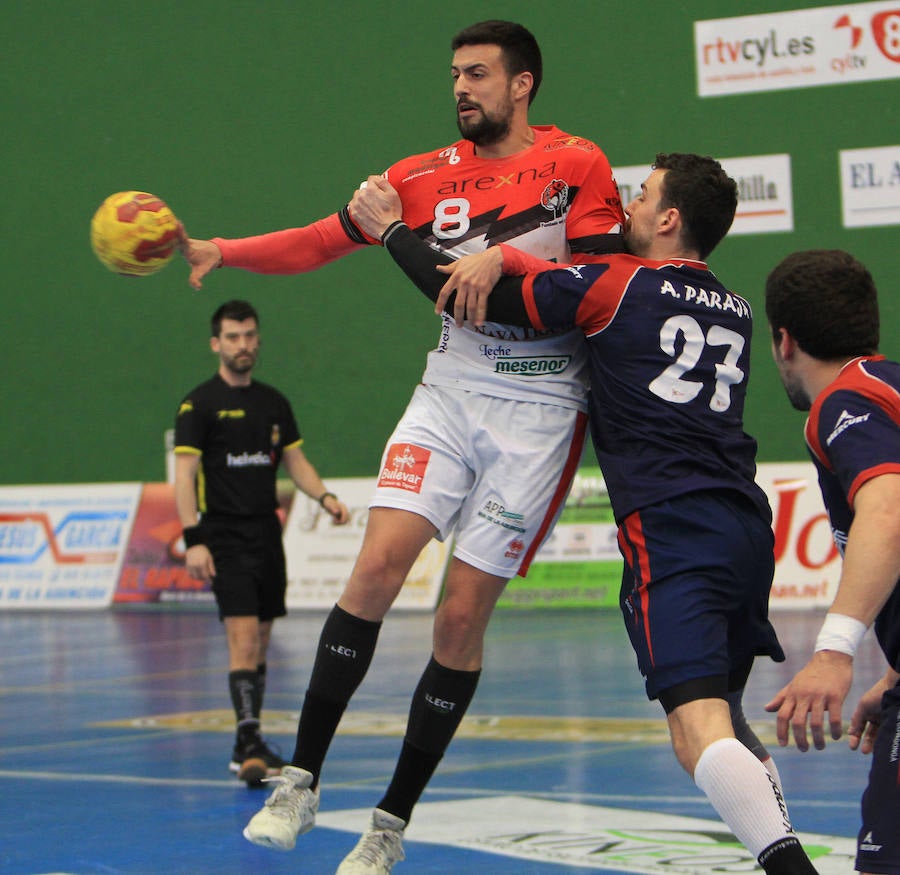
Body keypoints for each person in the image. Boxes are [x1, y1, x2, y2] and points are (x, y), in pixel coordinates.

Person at [179, 20, 624, 873]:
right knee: (375, 568)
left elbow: (594, 283)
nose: (462, 88)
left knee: (458, 618)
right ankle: (300, 780)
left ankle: (388, 823)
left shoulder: (578, 164)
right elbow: (318, 239)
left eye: (480, 74)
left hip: (538, 411)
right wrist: (222, 250)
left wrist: (504, 261)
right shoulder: (417, 177)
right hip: (450, 393)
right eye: (455, 74)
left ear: (523, 83)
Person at [351, 153, 821, 874]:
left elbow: (475, 301)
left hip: (672, 534)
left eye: (642, 197)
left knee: (697, 734)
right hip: (747, 528)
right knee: (728, 722)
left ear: (668, 219)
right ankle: (777, 852)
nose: (625, 207)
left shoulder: (614, 284)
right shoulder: (736, 306)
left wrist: (391, 233)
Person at [173, 299, 350, 787]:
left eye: (250, 335)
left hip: (267, 535)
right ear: (216, 344)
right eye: (233, 337)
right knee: (243, 638)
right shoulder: (198, 405)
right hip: (223, 537)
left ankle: (244, 742)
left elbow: (295, 462)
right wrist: (195, 539)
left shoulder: (274, 403)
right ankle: (249, 740)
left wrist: (324, 496)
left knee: (263, 641)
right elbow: (184, 475)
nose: (243, 344)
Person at [763, 250, 900, 875]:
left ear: (784, 341)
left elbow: (890, 511)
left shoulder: (845, 405)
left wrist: (834, 651)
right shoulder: (889, 387)